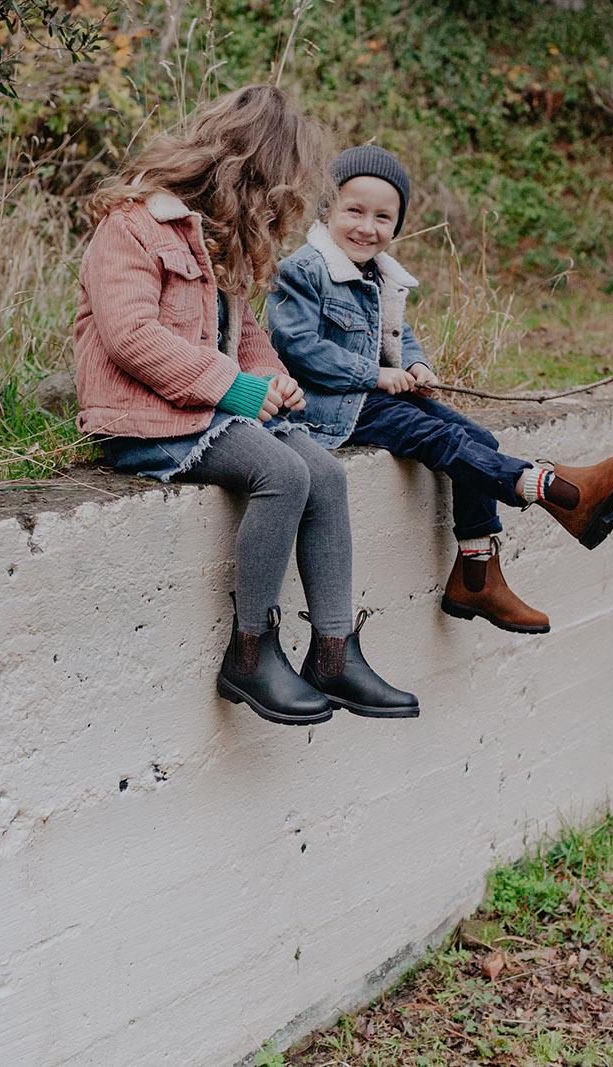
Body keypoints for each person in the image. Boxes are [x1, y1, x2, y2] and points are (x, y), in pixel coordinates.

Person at [73, 87, 418, 726]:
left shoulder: (219, 239)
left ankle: (334, 653)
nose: (280, 209)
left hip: (207, 412)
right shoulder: (133, 225)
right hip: (147, 417)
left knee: (326, 473)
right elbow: (132, 337)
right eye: (278, 191)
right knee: (282, 473)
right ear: (246, 171)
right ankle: (250, 652)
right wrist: (238, 390)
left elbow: (249, 335)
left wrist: (272, 380)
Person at [268, 145, 613, 634]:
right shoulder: (304, 269)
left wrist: (417, 365)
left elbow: (397, 335)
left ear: (397, 225)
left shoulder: (380, 276)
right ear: (328, 210)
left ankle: (477, 576)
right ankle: (554, 489)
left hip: (375, 399)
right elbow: (298, 347)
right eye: (354, 211)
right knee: (440, 440)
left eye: (383, 217)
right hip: (330, 406)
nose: (367, 227)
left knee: (480, 441)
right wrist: (376, 375)